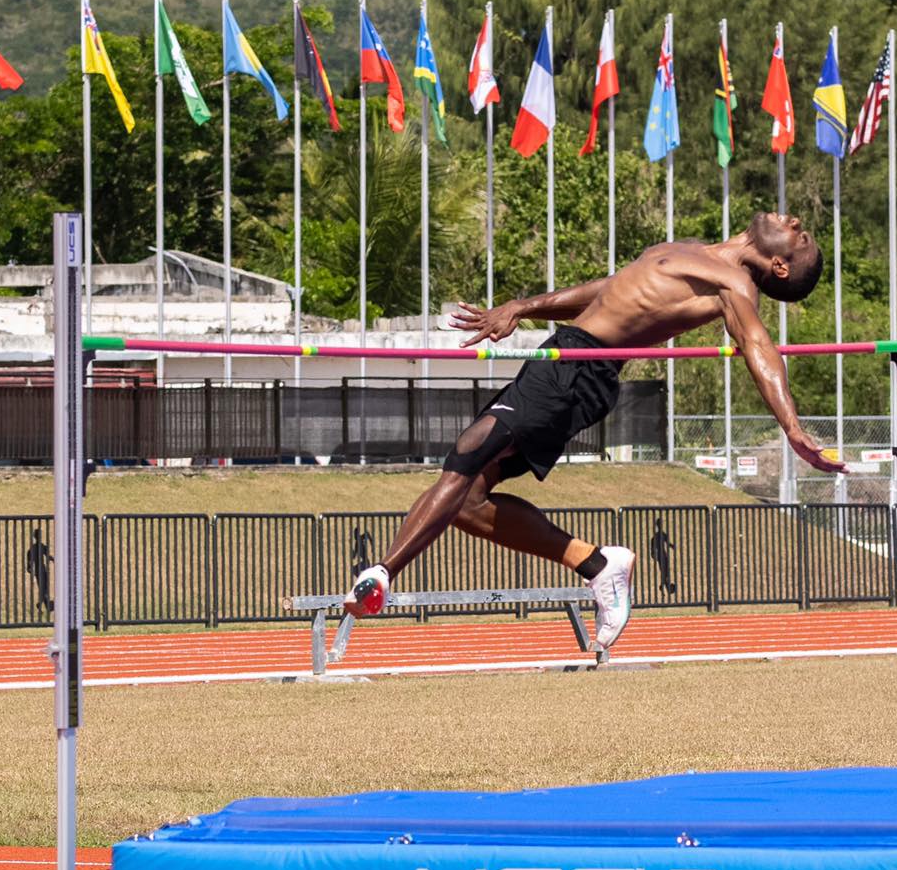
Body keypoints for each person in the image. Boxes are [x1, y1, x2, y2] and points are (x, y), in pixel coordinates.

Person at [344, 211, 835, 648]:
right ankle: (598, 564)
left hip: (583, 373)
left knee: (468, 450)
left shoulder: (735, 286)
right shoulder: (689, 249)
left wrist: (790, 425)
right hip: (564, 353)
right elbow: (607, 292)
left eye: (801, 236)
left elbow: (757, 345)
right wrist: (524, 306)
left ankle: (382, 574)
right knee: (466, 500)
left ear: (781, 268)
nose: (793, 222)